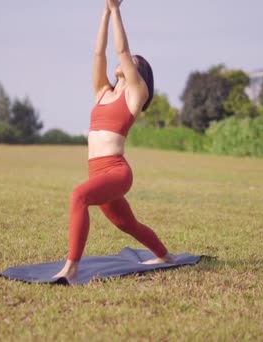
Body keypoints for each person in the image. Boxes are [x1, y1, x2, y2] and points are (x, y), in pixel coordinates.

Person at [53, 0, 174, 280]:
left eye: (135, 61)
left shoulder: (135, 93)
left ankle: (71, 267)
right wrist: (105, 11)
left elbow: (121, 50)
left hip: (116, 171)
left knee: (79, 196)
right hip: (97, 171)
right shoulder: (102, 91)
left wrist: (118, 9)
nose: (128, 60)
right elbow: (99, 52)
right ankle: (164, 255)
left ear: (140, 74)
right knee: (127, 223)